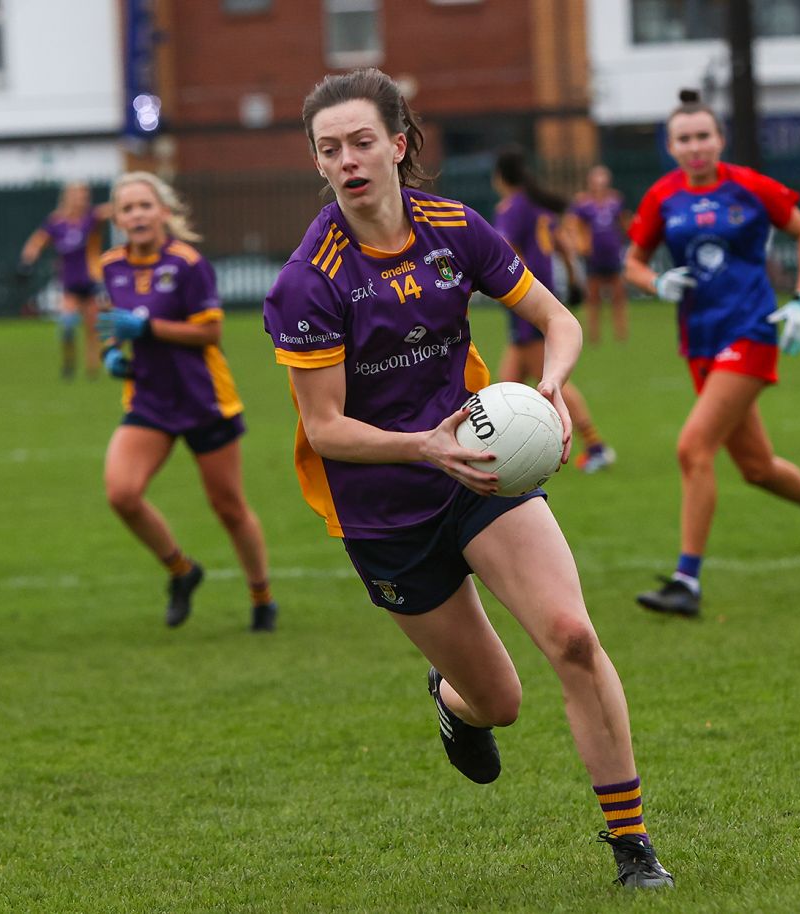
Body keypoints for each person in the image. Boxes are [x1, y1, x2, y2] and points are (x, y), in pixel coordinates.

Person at [262, 68, 674, 890]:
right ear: (317, 162)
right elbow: (326, 430)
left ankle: (633, 847)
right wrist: (424, 447)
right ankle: (453, 703)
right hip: (383, 512)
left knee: (573, 636)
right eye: (329, 148)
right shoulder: (309, 280)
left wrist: (551, 388)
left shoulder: (454, 228)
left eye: (362, 142)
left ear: (399, 144)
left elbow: (556, 320)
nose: (347, 160)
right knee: (499, 701)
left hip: (482, 472)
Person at [622, 89, 800, 618]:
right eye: (684, 138)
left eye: (704, 135)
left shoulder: (749, 186)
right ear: (671, 145)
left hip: (751, 331)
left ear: (720, 139)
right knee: (756, 467)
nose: (696, 146)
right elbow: (633, 260)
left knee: (693, 448)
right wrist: (656, 283)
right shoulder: (663, 197)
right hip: (700, 342)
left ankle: (687, 581)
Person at [95, 171, 277, 633]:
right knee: (122, 493)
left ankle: (262, 597)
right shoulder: (112, 266)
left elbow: (210, 332)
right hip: (150, 400)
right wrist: (113, 353)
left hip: (204, 400)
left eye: (144, 205)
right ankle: (181, 570)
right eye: (127, 208)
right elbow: (109, 326)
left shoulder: (189, 263)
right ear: (116, 218)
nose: (136, 215)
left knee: (229, 507)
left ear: (163, 212)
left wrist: (149, 330)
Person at [491, 147, 617, 474]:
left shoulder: (510, 208)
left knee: (551, 382)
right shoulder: (537, 205)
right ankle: (506, 454)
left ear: (500, 178)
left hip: (524, 300)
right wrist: (573, 278)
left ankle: (596, 445)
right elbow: (562, 242)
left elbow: (506, 254)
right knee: (508, 384)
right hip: (542, 295)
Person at [20, 183, 112, 379]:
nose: (82, 198)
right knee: (67, 326)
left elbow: (114, 209)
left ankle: (92, 369)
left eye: (85, 194)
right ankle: (69, 364)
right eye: (78, 194)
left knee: (92, 327)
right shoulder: (56, 222)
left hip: (92, 280)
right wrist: (28, 258)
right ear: (67, 196)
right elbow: (37, 241)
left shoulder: (93, 217)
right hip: (69, 283)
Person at [568, 165, 631, 343]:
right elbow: (574, 225)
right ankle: (593, 335)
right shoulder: (583, 203)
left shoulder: (615, 200)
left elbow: (623, 222)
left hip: (612, 253)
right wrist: (580, 244)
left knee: (618, 295)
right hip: (593, 256)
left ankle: (621, 333)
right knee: (593, 297)